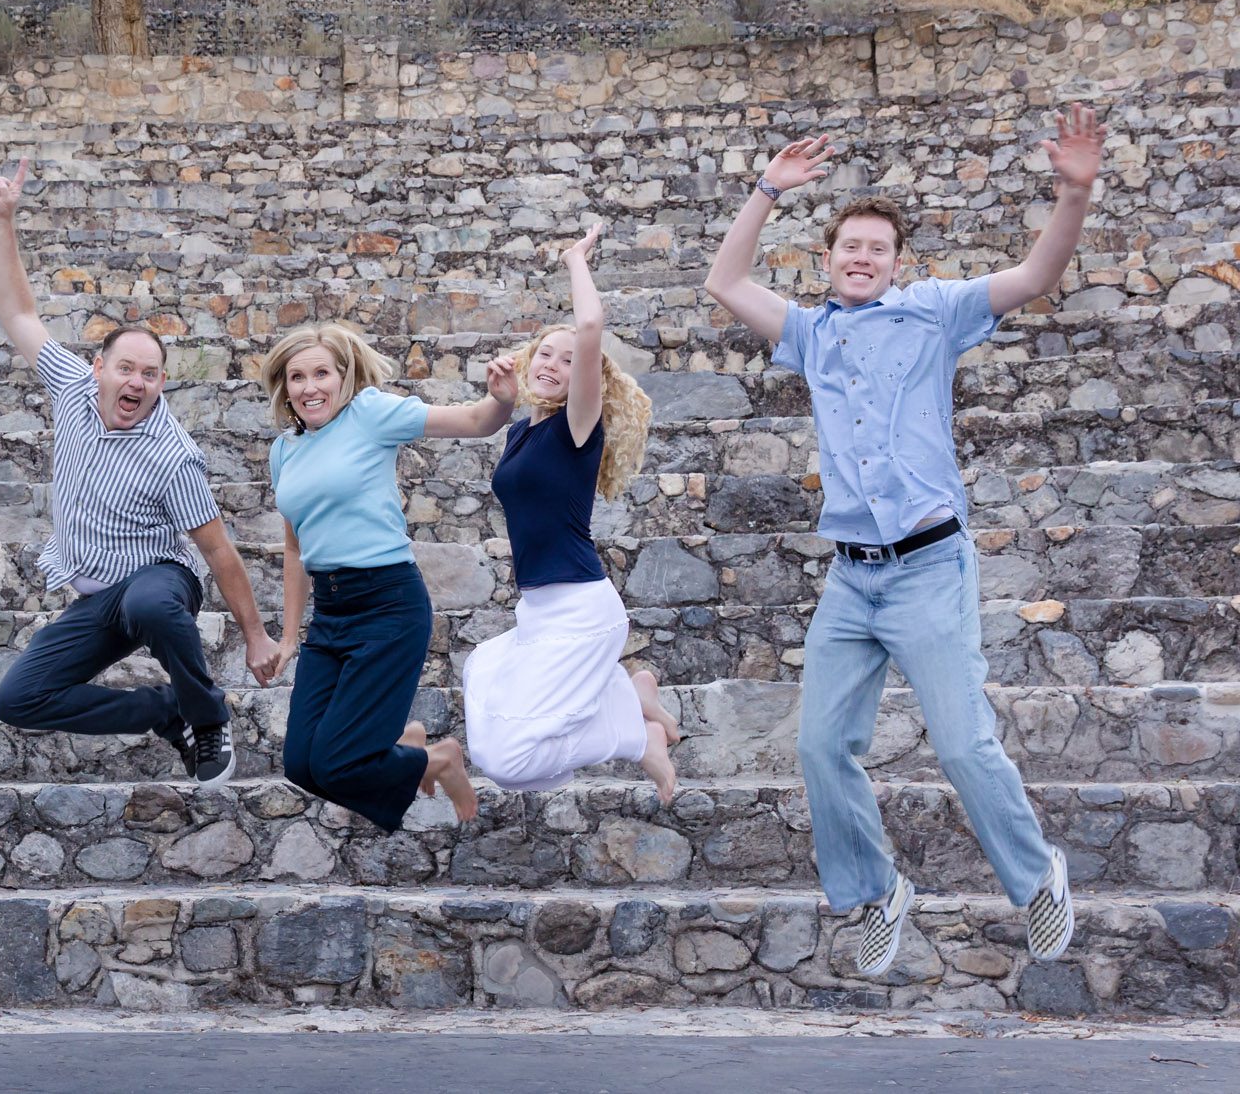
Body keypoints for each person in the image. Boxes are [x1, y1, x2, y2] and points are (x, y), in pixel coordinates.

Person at [702, 106, 1106, 977]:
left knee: (963, 744)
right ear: (830, 257)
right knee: (819, 747)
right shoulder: (810, 333)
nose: (861, 257)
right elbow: (726, 282)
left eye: (878, 248)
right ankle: (873, 892)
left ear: (896, 262)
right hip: (852, 580)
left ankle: (1036, 877)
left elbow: (1038, 274)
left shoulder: (935, 314)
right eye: (849, 245)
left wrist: (1073, 192)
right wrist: (768, 188)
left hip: (927, 566)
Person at [0, 160, 278, 785]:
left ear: (161, 382)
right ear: (98, 367)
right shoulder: (70, 388)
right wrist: (2, 221)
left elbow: (220, 553)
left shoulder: (170, 455)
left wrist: (254, 637)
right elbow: (18, 315)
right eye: (126, 369)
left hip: (159, 585)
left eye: (149, 374)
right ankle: (162, 710)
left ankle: (207, 717)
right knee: (19, 699)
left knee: (151, 597)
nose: (136, 383)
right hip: (96, 596)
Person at [258, 321, 514, 829]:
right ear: (284, 388)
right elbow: (294, 547)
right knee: (303, 765)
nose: (310, 388)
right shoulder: (283, 450)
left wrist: (502, 401)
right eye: (297, 377)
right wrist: (289, 636)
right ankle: (414, 750)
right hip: (331, 614)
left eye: (321, 374)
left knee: (335, 760)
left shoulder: (369, 415)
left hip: (387, 605)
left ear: (344, 376)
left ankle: (436, 759)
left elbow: (475, 420)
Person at [461, 225, 681, 804]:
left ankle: (638, 736)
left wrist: (573, 258)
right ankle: (632, 695)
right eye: (545, 354)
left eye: (568, 359)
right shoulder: (518, 433)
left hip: (582, 609)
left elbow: (589, 328)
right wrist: (504, 397)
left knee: (508, 758)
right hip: (539, 608)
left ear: (587, 374)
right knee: (484, 691)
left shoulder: (578, 427)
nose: (554, 363)